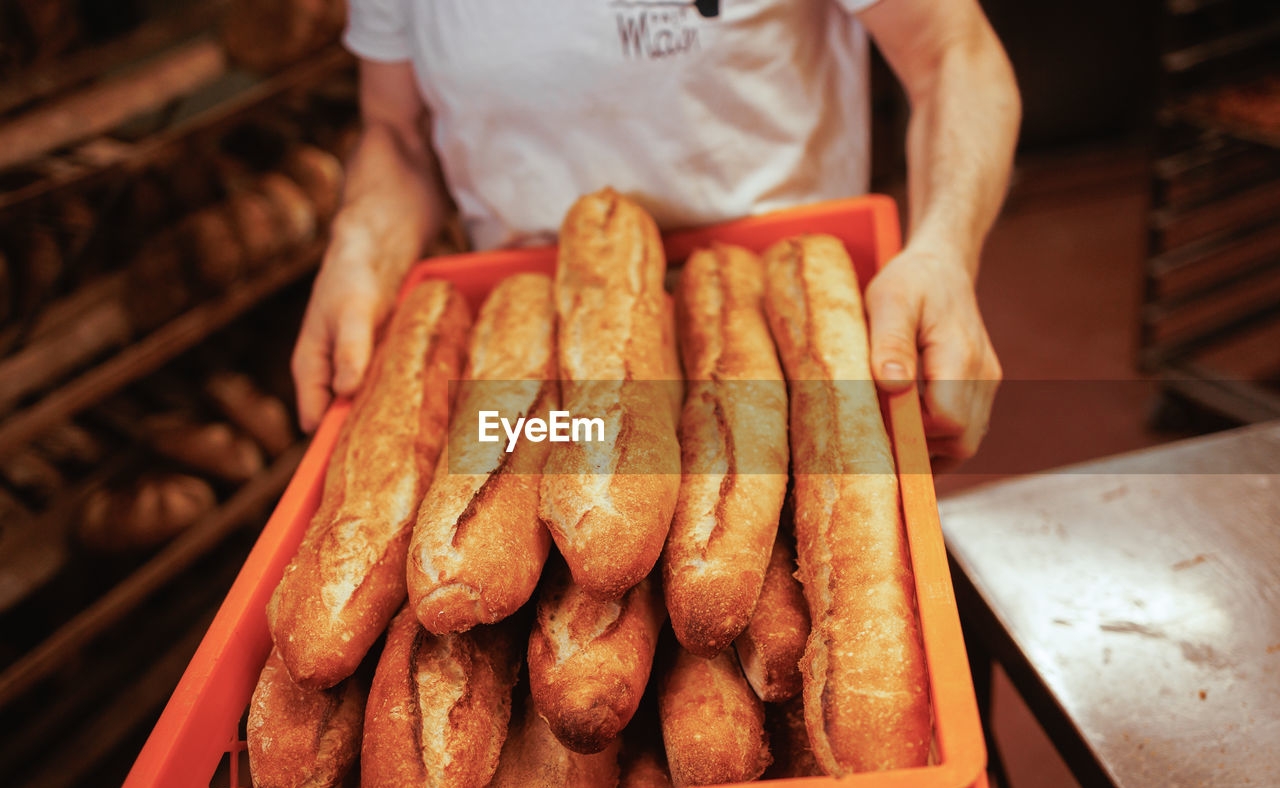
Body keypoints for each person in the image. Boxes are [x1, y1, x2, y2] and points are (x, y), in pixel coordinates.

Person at [291, 0, 1019, 464]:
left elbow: (954, 54)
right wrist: (360, 238)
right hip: (537, 360)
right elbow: (396, 130)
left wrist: (944, 250)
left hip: (788, 330)